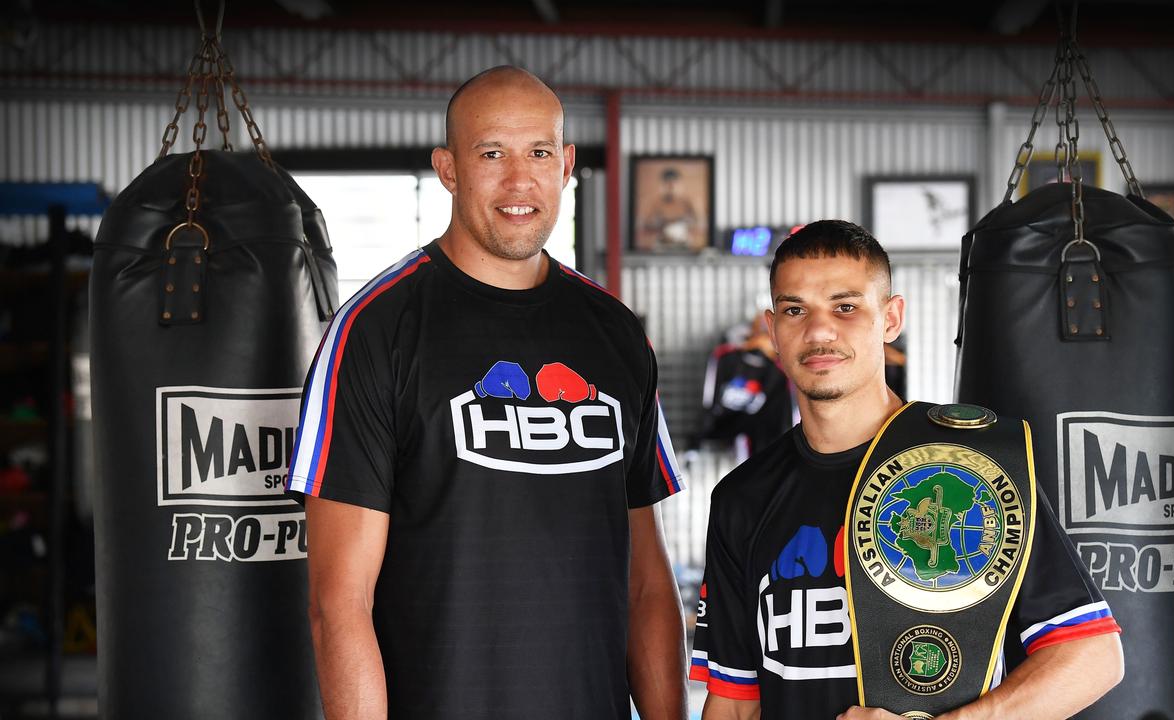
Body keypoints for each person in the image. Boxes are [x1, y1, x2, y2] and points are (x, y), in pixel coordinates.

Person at [288, 66, 687, 720]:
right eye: (492, 153)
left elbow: (647, 584)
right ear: (448, 169)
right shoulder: (375, 330)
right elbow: (338, 605)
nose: (519, 180)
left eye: (539, 152)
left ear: (567, 165)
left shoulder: (615, 334)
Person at [689, 220, 1124, 719]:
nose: (819, 331)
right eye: (795, 310)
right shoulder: (742, 497)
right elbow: (733, 702)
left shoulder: (971, 470)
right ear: (772, 330)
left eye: (846, 306)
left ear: (891, 318)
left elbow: (1092, 656)